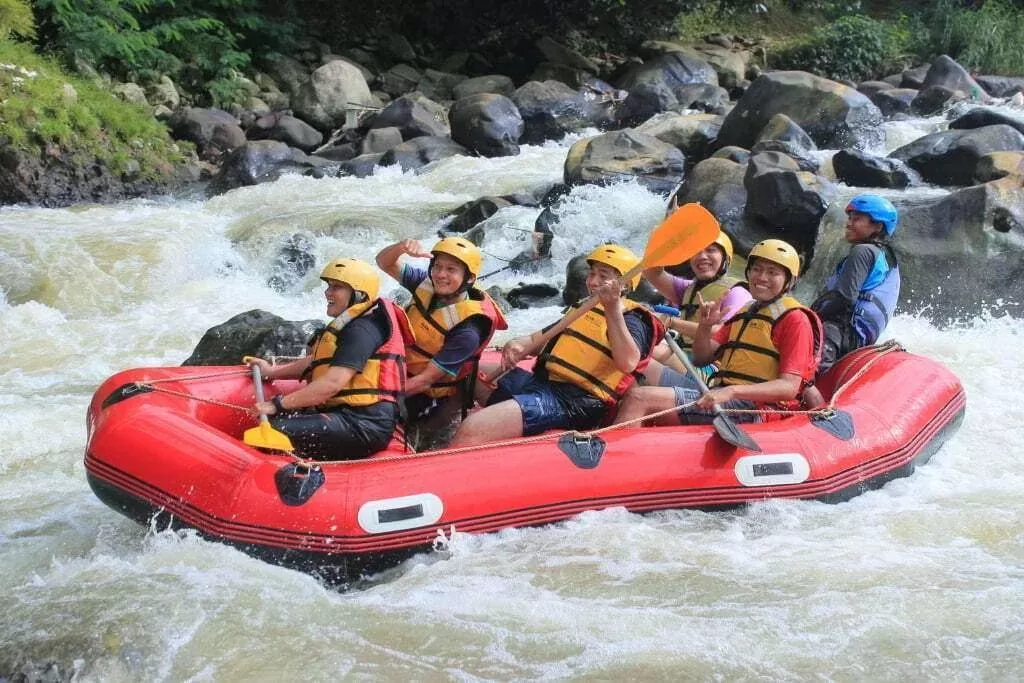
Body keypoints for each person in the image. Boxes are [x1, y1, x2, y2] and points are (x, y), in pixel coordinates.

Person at [448, 244, 664, 448]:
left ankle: (444, 473)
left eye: (603, 276)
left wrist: (613, 308)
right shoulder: (584, 307)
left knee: (475, 427)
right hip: (543, 385)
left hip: (575, 403)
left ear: (624, 285)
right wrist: (517, 343)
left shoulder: (633, 318)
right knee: (468, 370)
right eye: (592, 274)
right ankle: (433, 432)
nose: (593, 281)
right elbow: (538, 339)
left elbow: (627, 362)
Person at [615, 239, 822, 427]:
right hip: (723, 396)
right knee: (634, 392)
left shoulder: (795, 319)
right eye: (757, 269)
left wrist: (732, 391)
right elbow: (701, 358)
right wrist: (705, 328)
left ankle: (614, 463)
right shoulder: (746, 311)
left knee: (640, 398)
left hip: (758, 409)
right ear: (748, 272)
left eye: (772, 272)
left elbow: (789, 388)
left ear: (789, 281)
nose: (762, 277)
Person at [248, 258, 414, 460]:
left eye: (337, 288)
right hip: (346, 415)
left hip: (365, 424)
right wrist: (272, 372)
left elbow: (332, 384)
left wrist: (278, 404)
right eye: (328, 287)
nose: (328, 293)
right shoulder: (351, 324)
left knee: (276, 429)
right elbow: (315, 361)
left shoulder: (363, 330)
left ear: (358, 294)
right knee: (277, 421)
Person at [376, 236, 507, 443]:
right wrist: (401, 247)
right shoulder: (426, 285)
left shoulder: (468, 330)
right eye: (437, 266)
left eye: (451, 270)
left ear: (470, 278)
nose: (440, 275)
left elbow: (424, 381)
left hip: (429, 395)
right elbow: (384, 262)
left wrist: (374, 395)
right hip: (397, 370)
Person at [644, 229, 752, 384]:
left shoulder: (738, 292)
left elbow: (720, 332)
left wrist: (671, 322)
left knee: (640, 348)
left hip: (711, 371)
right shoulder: (688, 288)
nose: (702, 256)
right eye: (696, 251)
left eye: (711, 250)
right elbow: (650, 270)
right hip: (679, 355)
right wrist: (671, 233)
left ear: (726, 258)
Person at [811, 194, 900, 372]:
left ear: (878, 225)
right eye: (850, 218)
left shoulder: (863, 251)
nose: (849, 223)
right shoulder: (886, 256)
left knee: (809, 370)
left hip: (842, 331)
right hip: (860, 336)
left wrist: (810, 317)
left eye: (857, 219)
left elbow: (845, 298)